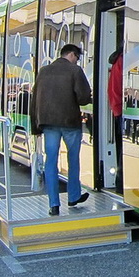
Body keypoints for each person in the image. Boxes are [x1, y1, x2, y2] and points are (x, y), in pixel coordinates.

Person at [31, 43, 92, 216]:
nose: (76, 61)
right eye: (77, 57)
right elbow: (83, 98)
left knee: (51, 161)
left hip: (48, 123)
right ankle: (73, 196)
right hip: (69, 123)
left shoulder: (43, 71)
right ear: (72, 54)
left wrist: (36, 125)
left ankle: (54, 204)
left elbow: (35, 98)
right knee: (73, 160)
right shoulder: (75, 71)